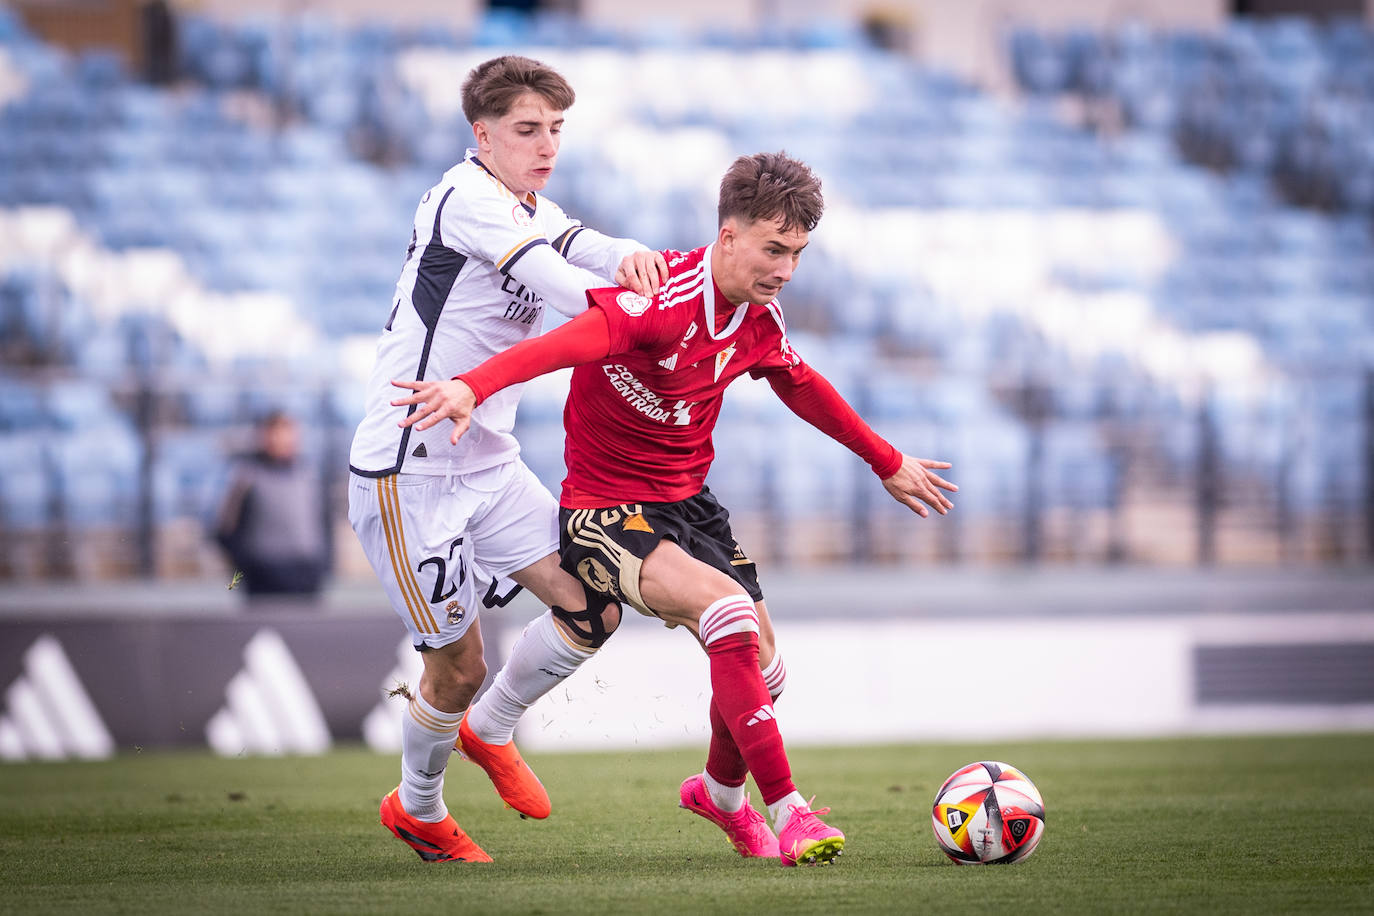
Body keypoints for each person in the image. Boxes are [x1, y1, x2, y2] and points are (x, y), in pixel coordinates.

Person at [391, 151, 957, 866]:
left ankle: (720, 795)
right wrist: (473, 383)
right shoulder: (660, 300)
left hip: (691, 507)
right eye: (773, 249)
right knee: (726, 613)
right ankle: (791, 813)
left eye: (798, 254)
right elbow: (563, 345)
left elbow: (801, 383)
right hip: (605, 510)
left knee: (767, 669)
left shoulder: (758, 320)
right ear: (727, 237)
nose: (786, 269)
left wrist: (888, 462)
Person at [346, 54, 670, 864]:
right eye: (528, 129)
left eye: (556, 128)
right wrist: (636, 310)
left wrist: (630, 252)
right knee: (458, 668)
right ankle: (417, 807)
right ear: (480, 134)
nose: (546, 143)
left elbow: (579, 240)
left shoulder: (523, 200)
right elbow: (559, 281)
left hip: (487, 465)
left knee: (594, 606)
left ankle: (490, 734)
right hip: (409, 469)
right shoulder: (465, 200)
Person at [215, 410, 329, 597]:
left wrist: (322, 567)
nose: (282, 440)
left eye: (288, 432)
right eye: (276, 433)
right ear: (263, 436)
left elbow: (323, 524)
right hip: (263, 577)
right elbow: (225, 530)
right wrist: (247, 565)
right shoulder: (246, 476)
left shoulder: (309, 475)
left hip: (306, 576)